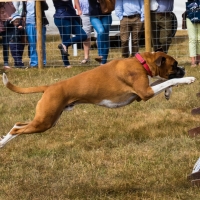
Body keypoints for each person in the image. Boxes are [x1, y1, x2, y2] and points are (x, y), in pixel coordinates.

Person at [52, 0, 87, 68]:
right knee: (65, 39)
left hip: (71, 17)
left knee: (83, 35)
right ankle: (66, 64)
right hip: (62, 17)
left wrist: (79, 10)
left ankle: (64, 44)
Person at [22, 1, 49, 68]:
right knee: (32, 44)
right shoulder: (25, 1)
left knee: (41, 44)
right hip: (29, 24)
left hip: (40, 23)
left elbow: (46, 7)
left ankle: (43, 62)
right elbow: (24, 11)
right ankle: (34, 63)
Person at [88, 0, 112, 65]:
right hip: (94, 15)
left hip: (106, 13)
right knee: (101, 31)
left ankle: (103, 62)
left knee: (105, 36)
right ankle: (100, 55)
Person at [0, 2, 16, 70]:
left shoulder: (9, 3)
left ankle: (6, 63)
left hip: (8, 27)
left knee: (6, 45)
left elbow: (14, 12)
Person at [185, 0, 200, 67]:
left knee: (199, 39)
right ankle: (193, 61)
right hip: (190, 15)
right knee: (192, 38)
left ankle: (198, 60)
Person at [79, 0, 92, 64]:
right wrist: (79, 9)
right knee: (86, 35)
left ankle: (101, 56)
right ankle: (86, 57)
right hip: (84, 12)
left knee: (99, 34)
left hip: (98, 12)